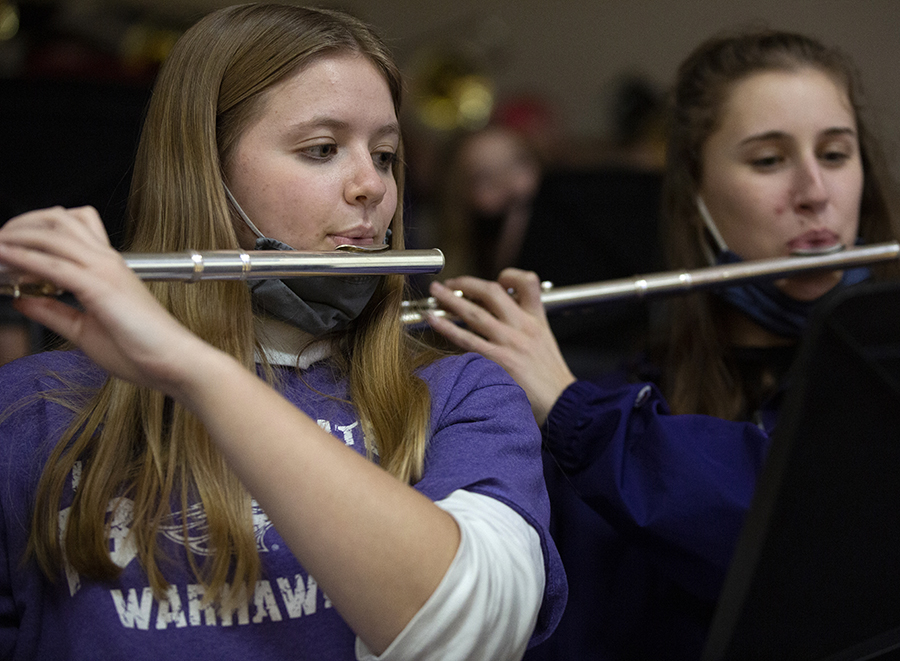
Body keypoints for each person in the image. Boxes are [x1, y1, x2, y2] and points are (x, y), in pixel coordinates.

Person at [0, 5, 566, 660]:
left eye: (385, 156)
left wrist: (197, 371)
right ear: (206, 176)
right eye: (322, 149)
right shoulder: (27, 409)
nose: (371, 187)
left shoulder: (458, 395)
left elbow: (475, 633)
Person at [425, 28, 900, 659]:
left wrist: (573, 410)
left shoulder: (883, 364)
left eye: (836, 155)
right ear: (696, 195)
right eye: (769, 160)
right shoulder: (641, 389)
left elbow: (795, 529)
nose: (815, 192)